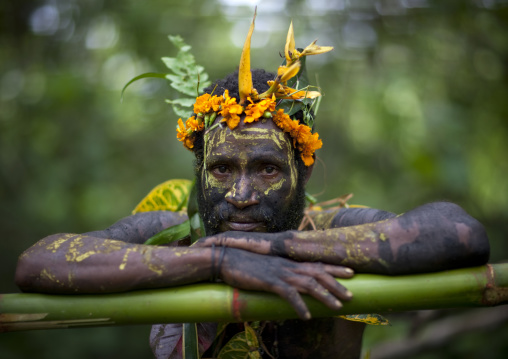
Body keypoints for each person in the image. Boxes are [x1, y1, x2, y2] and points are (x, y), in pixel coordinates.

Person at [15, 15, 489, 359]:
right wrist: (215, 260)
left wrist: (285, 249)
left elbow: (458, 232)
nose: (241, 194)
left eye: (267, 170)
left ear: (302, 171)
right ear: (199, 170)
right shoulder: (172, 234)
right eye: (221, 169)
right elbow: (39, 261)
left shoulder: (329, 231)